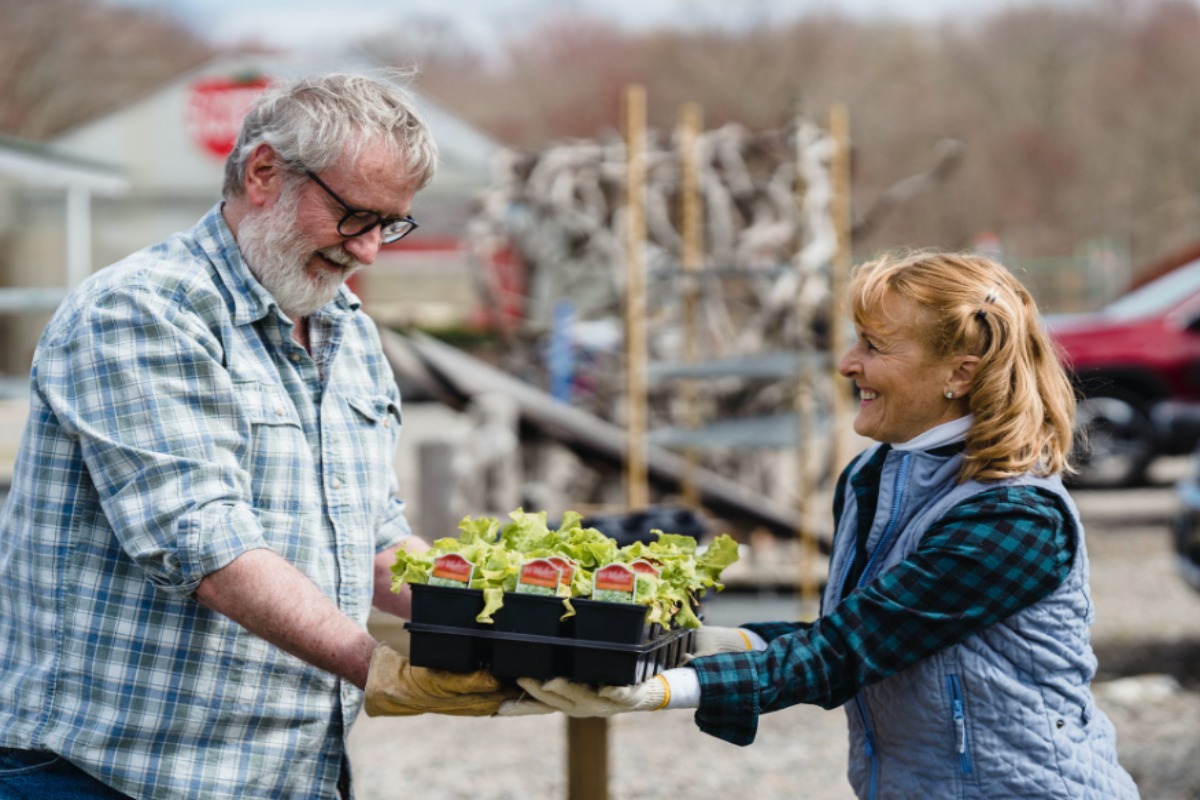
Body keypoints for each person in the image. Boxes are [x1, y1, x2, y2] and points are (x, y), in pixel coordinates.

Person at [0, 72, 513, 800]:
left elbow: (372, 541)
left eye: (390, 224)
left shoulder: (348, 331)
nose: (368, 251)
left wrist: (509, 620)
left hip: (286, 774)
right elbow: (207, 541)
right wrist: (378, 664)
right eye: (355, 217)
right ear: (264, 172)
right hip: (105, 776)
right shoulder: (141, 312)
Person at [505, 250, 1141, 798]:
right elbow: (859, 629)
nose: (846, 363)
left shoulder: (1013, 517)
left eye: (874, 346)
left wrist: (665, 687)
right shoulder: (874, 476)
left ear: (960, 374)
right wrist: (684, 645)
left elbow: (846, 653)